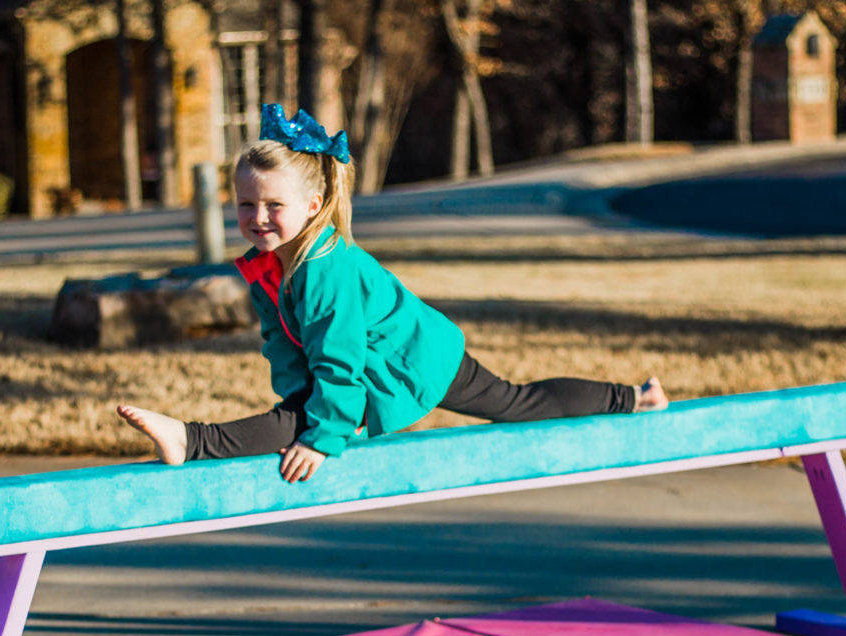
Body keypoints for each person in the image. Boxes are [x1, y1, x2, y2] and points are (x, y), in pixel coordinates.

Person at [118, 103, 668, 483]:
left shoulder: (325, 272)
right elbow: (282, 347)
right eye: (245, 205)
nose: (257, 218)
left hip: (420, 359)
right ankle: (191, 441)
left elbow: (339, 362)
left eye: (273, 206)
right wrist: (299, 401)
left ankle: (633, 399)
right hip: (371, 364)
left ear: (313, 205)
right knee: (299, 414)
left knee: (516, 404)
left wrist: (322, 435)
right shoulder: (269, 267)